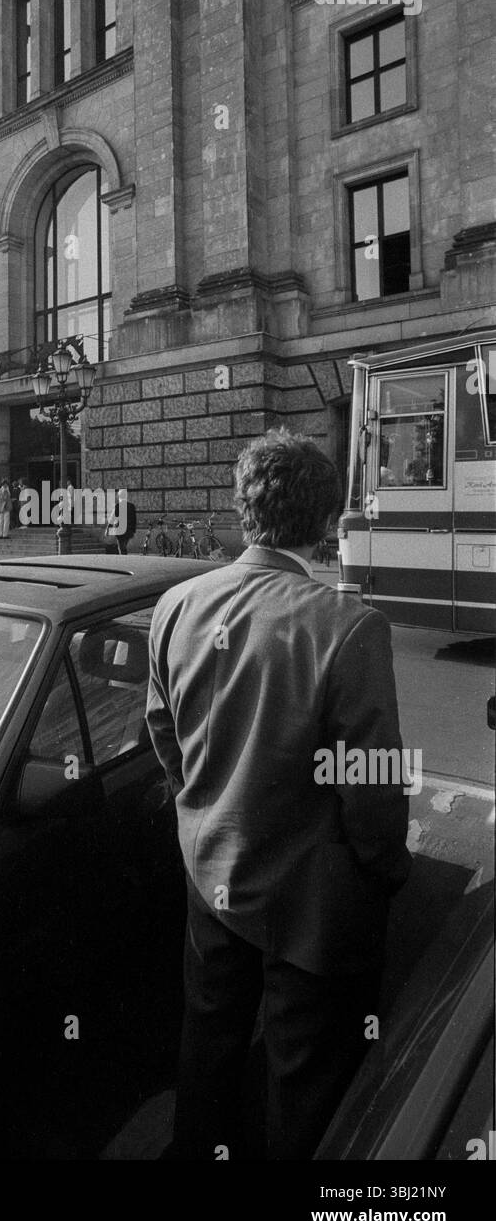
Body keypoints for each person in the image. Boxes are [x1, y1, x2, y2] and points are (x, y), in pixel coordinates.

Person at [146, 429, 411, 1161]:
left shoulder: (176, 604)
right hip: (310, 904)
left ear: (242, 509)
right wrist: (384, 869)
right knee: (304, 1084)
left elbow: (163, 732)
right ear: (324, 522)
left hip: (211, 874)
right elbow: (371, 784)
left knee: (209, 1043)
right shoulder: (349, 626)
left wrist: (200, 809)